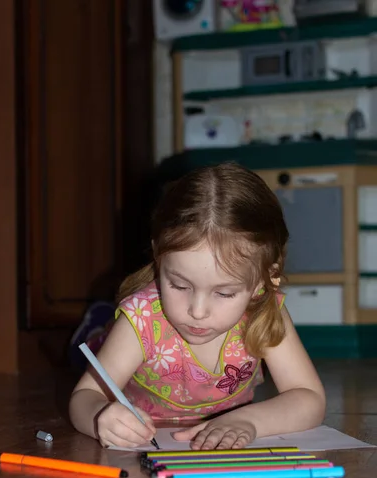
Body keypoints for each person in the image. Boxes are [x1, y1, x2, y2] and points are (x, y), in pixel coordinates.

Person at [69, 163, 325, 450]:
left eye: (224, 293)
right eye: (179, 285)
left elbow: (308, 396)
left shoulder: (262, 312)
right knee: (95, 350)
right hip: (147, 442)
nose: (198, 311)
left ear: (264, 281)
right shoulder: (141, 320)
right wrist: (99, 415)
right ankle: (96, 330)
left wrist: (249, 421)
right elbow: (84, 396)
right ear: (158, 256)